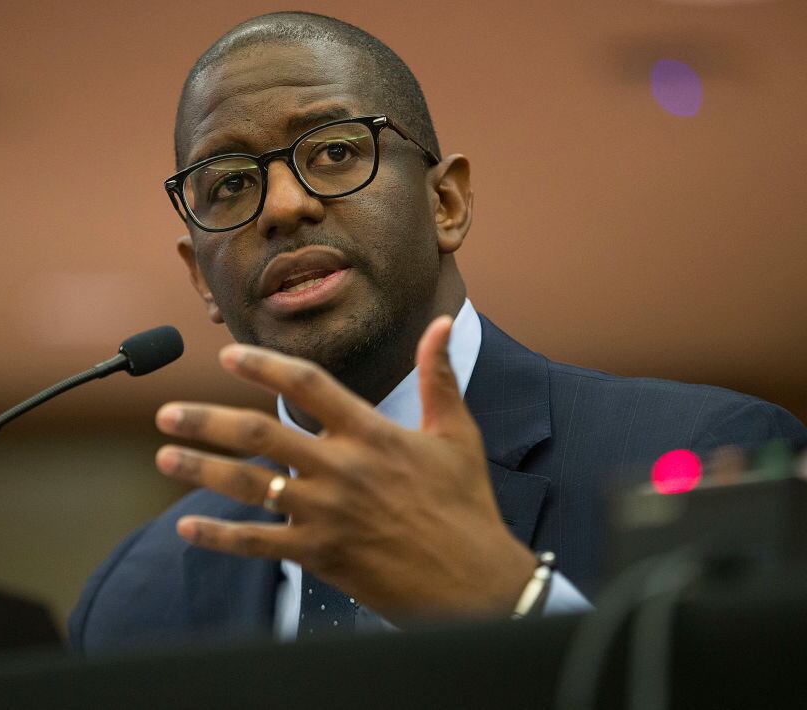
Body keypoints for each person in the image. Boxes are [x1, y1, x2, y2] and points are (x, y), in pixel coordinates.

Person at [69, 12, 806, 652]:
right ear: (201, 279)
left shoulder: (713, 457)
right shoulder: (133, 600)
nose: (282, 207)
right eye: (229, 184)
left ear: (446, 202)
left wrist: (511, 604)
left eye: (333, 151)